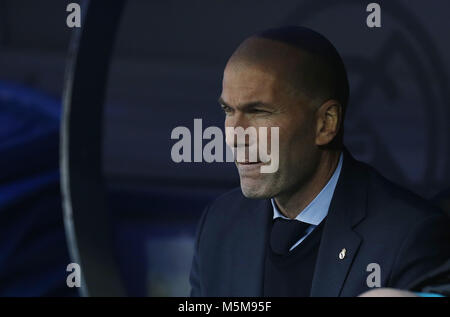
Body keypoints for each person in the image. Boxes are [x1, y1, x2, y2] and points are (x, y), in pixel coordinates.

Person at [189, 26, 450, 297]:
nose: (234, 136)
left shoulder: (409, 235)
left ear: (326, 123)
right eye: (227, 110)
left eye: (258, 112)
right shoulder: (219, 224)